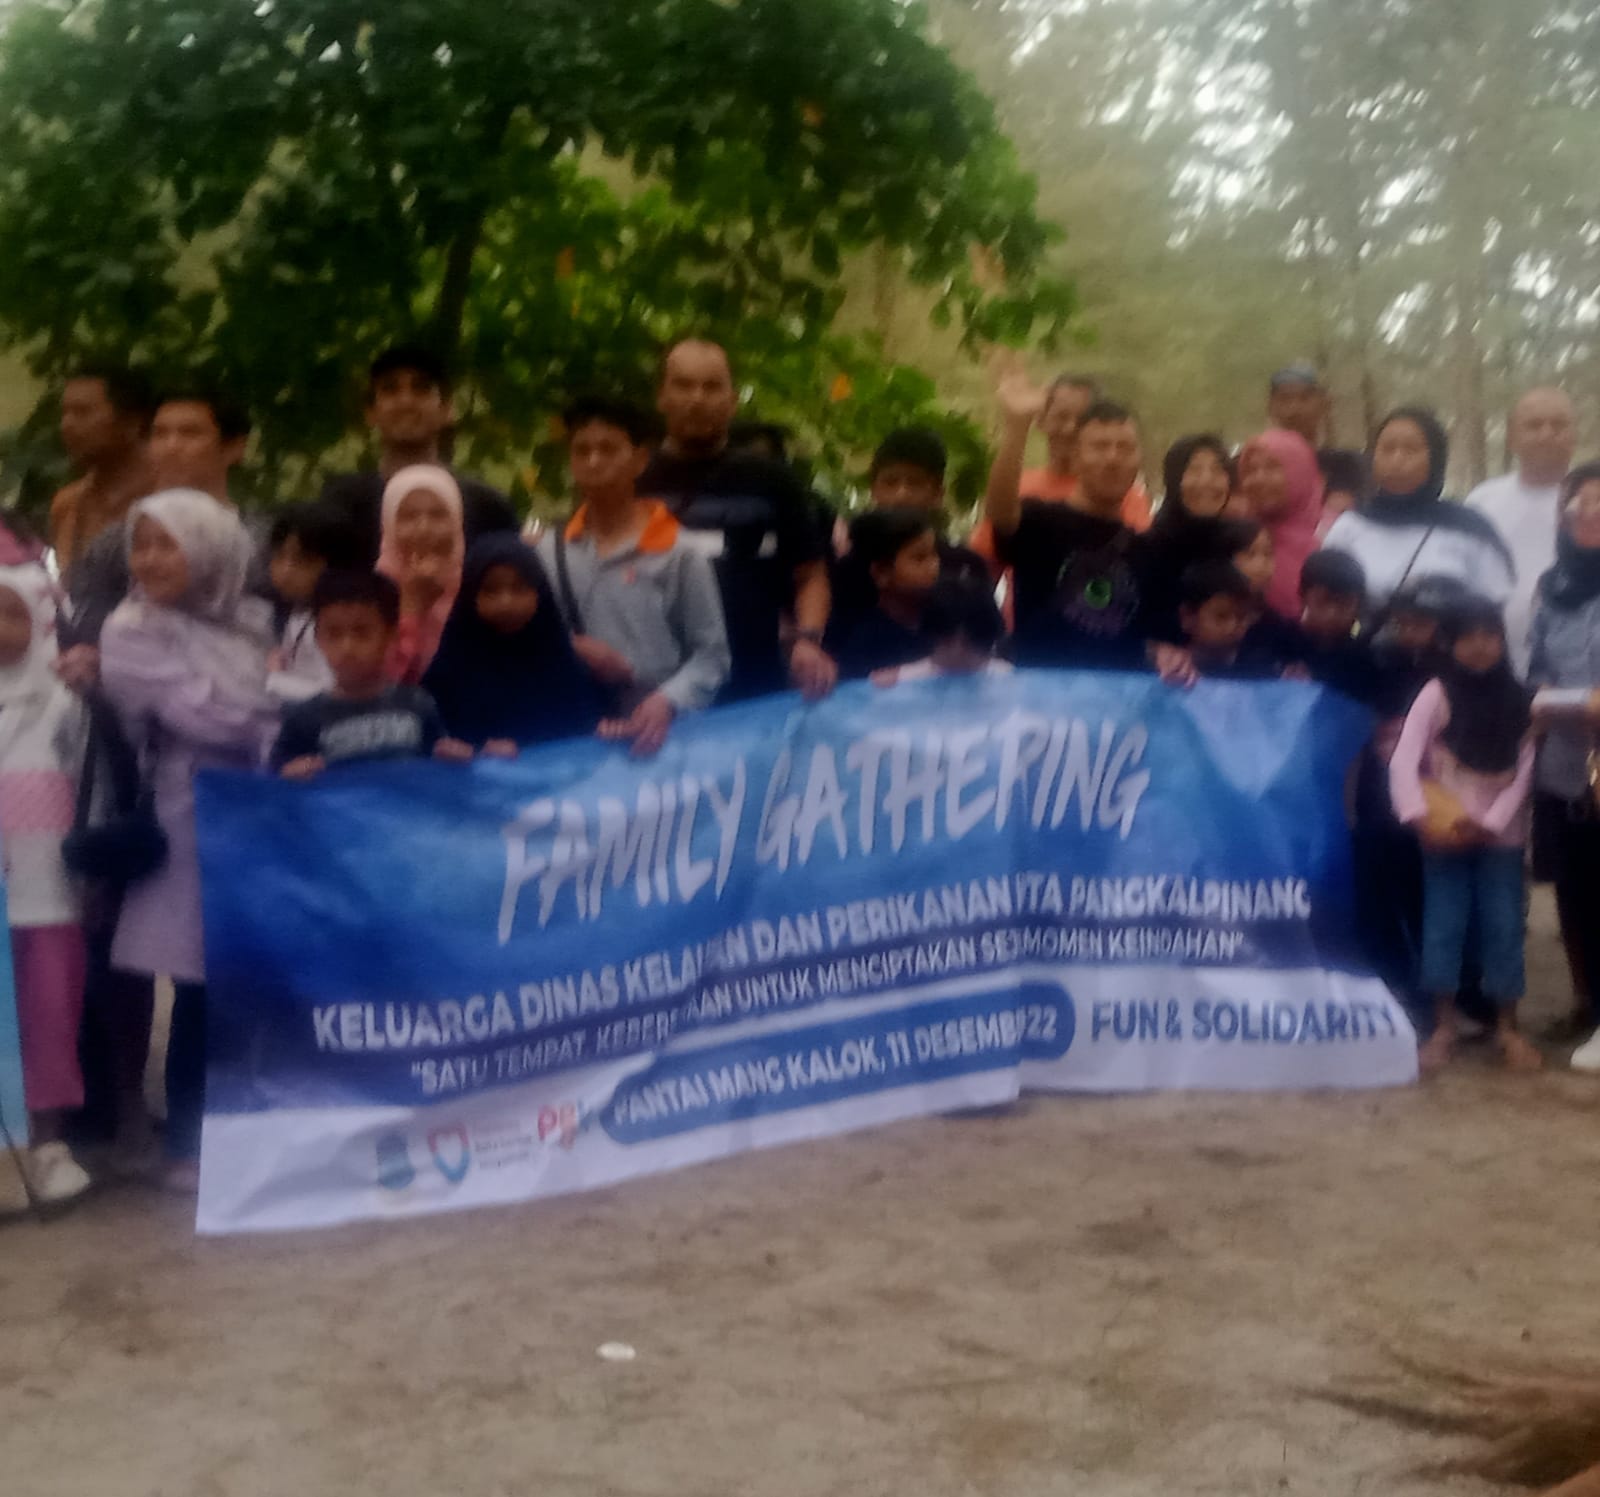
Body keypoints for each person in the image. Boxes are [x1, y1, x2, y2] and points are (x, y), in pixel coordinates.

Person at [99, 490, 280, 1190]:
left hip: (265, 813)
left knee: (255, 974)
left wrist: (274, 711)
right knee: (199, 978)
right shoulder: (132, 629)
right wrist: (279, 712)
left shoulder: (253, 619)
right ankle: (188, 1141)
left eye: (165, 543)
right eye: (140, 545)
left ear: (209, 548)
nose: (148, 560)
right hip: (190, 815)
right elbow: (208, 716)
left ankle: (257, 1127)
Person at [1389, 595, 1539, 1074]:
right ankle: (1444, 1027)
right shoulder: (1436, 694)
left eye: (1490, 635)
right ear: (1450, 642)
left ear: (1502, 640)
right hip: (1443, 836)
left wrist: (1489, 824)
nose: (1480, 646)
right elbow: (1403, 761)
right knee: (1443, 927)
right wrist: (1418, 818)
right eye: (1468, 636)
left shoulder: (1522, 700)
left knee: (1503, 928)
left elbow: (1524, 772)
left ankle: (1507, 1027)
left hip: (1502, 840)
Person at [638, 337, 834, 701]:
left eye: (712, 387)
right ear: (662, 397)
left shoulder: (773, 480)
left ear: (732, 400)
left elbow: (811, 575)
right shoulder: (630, 481)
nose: (697, 398)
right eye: (683, 385)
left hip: (754, 685)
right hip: (653, 689)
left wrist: (808, 641)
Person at [535, 396, 729, 752]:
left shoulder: (679, 551)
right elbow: (526, 644)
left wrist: (666, 702)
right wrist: (573, 647)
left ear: (640, 460)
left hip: (663, 739)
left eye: (608, 449)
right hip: (578, 737)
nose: (594, 461)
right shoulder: (549, 551)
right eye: (582, 450)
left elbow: (712, 656)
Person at [0, 565, 92, 1206]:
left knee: (48, 1014)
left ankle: (49, 1143)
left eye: (12, 614)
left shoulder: (63, 703)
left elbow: (89, 785)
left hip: (49, 894)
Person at [58, 387, 251, 659]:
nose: (171, 447)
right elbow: (80, 620)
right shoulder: (116, 542)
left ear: (234, 448)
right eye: (160, 434)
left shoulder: (261, 542)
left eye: (190, 433)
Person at [984, 395, 1156, 671]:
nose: (1113, 458)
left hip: (1121, 692)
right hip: (1043, 691)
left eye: (1125, 448)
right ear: (1075, 457)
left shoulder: (1147, 549)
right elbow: (999, 511)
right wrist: (1017, 429)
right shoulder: (1037, 521)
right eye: (1100, 447)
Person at [318, 345, 519, 567]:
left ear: (447, 409)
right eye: (390, 389)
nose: (406, 402)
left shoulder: (487, 509)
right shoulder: (341, 506)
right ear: (370, 413)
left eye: (421, 388)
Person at [1527, 463, 1600, 1056]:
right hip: (1565, 767)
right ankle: (1586, 1003)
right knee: (1574, 891)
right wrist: (1566, 699)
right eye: (1580, 505)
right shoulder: (1551, 587)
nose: (1590, 515)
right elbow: (1536, 672)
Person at [971, 371, 1151, 610]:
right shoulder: (1015, 489)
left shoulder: (1127, 496)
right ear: (1041, 420)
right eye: (1061, 416)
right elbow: (982, 573)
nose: (1069, 428)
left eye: (1080, 419)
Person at [1322, 407, 1514, 623]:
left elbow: (1493, 610)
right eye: (1387, 449)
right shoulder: (1350, 526)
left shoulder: (1470, 529)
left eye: (1411, 450)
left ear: (1435, 458)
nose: (1397, 459)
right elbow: (1324, 601)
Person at [274, 571, 471, 777]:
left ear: (390, 635)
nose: (347, 647)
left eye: (362, 632)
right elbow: (276, 779)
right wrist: (290, 773)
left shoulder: (417, 703)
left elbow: (438, 761)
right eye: (334, 634)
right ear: (318, 639)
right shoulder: (303, 718)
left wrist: (454, 757)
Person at [424, 535, 606, 753]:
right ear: (470, 596)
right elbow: (430, 740)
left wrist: (610, 730)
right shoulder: (450, 670)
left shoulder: (564, 664)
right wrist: (473, 750)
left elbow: (587, 732)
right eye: (491, 590)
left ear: (540, 593)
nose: (506, 602)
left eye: (519, 588)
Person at [830, 427, 990, 643]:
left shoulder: (965, 567)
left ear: (937, 493)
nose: (901, 495)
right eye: (890, 482)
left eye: (915, 483)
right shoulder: (846, 566)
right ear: (874, 489)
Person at [1466, 387, 1578, 676]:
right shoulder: (1482, 501)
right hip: (1492, 671)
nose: (1546, 434)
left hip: (1579, 675)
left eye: (1559, 425)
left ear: (1574, 435)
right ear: (1512, 438)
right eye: (1534, 425)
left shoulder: (1591, 501)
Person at [50, 365, 156, 570]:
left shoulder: (173, 498)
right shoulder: (67, 505)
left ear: (131, 422)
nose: (66, 425)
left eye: (82, 412)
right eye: (65, 413)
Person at [1141, 434, 1241, 641]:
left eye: (1217, 470)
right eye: (1194, 470)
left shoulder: (1237, 545)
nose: (1206, 481)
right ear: (1174, 479)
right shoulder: (1149, 550)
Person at [265, 502, 366, 703]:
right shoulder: (299, 609)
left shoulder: (339, 625)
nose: (285, 571)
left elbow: (334, 694)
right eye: (279, 556)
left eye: (302, 561)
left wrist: (276, 679)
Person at [375, 464, 465, 685]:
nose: (424, 528)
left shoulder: (479, 586)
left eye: (437, 515)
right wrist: (411, 605)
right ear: (388, 525)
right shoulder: (371, 594)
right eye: (409, 516)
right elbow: (378, 680)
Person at [829, 508, 941, 680]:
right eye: (919, 558)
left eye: (934, 554)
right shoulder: (866, 643)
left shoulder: (947, 621)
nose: (934, 565)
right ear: (881, 573)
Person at [1237, 427, 1323, 620]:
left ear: (1299, 474)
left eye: (1272, 468)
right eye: (1251, 470)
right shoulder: (1234, 539)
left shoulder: (1333, 537)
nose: (1259, 478)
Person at [876, 577, 1011, 684]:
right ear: (929, 636)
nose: (957, 652)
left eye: (970, 642)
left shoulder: (1007, 677)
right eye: (947, 641)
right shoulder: (900, 680)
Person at [1297, 549, 1380, 704]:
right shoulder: (1278, 643)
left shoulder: (1364, 664)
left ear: (1358, 607)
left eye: (1344, 604)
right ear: (1303, 596)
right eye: (1322, 602)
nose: (1332, 614)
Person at [1174, 561, 1269, 679]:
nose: (1233, 626)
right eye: (1221, 616)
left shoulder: (1260, 667)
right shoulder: (1171, 669)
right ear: (1187, 616)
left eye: (1241, 617)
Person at [1267, 364, 1330, 449]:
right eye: (1285, 399)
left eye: (1304, 398)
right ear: (1271, 407)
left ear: (1323, 404)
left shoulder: (1341, 456)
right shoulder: (1261, 455)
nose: (1295, 408)